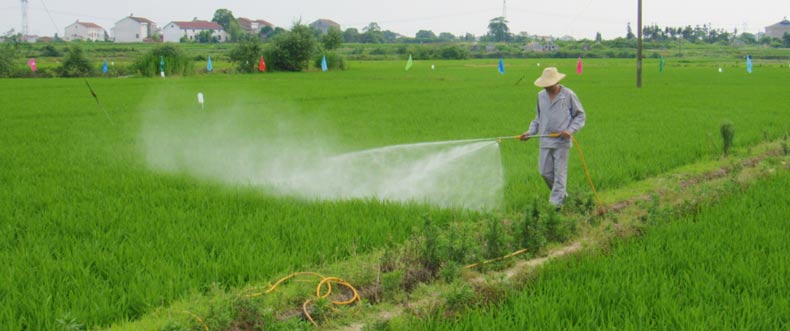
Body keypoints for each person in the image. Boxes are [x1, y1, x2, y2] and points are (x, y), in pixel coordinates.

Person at [519, 67, 586, 209]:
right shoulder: (540, 96)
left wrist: (570, 130)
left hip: (561, 142)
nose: (546, 87)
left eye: (549, 84)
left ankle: (554, 207)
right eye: (544, 85)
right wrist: (530, 132)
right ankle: (563, 197)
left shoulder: (568, 95)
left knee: (560, 174)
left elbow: (580, 115)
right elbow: (538, 118)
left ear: (556, 82)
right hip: (545, 141)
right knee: (545, 172)